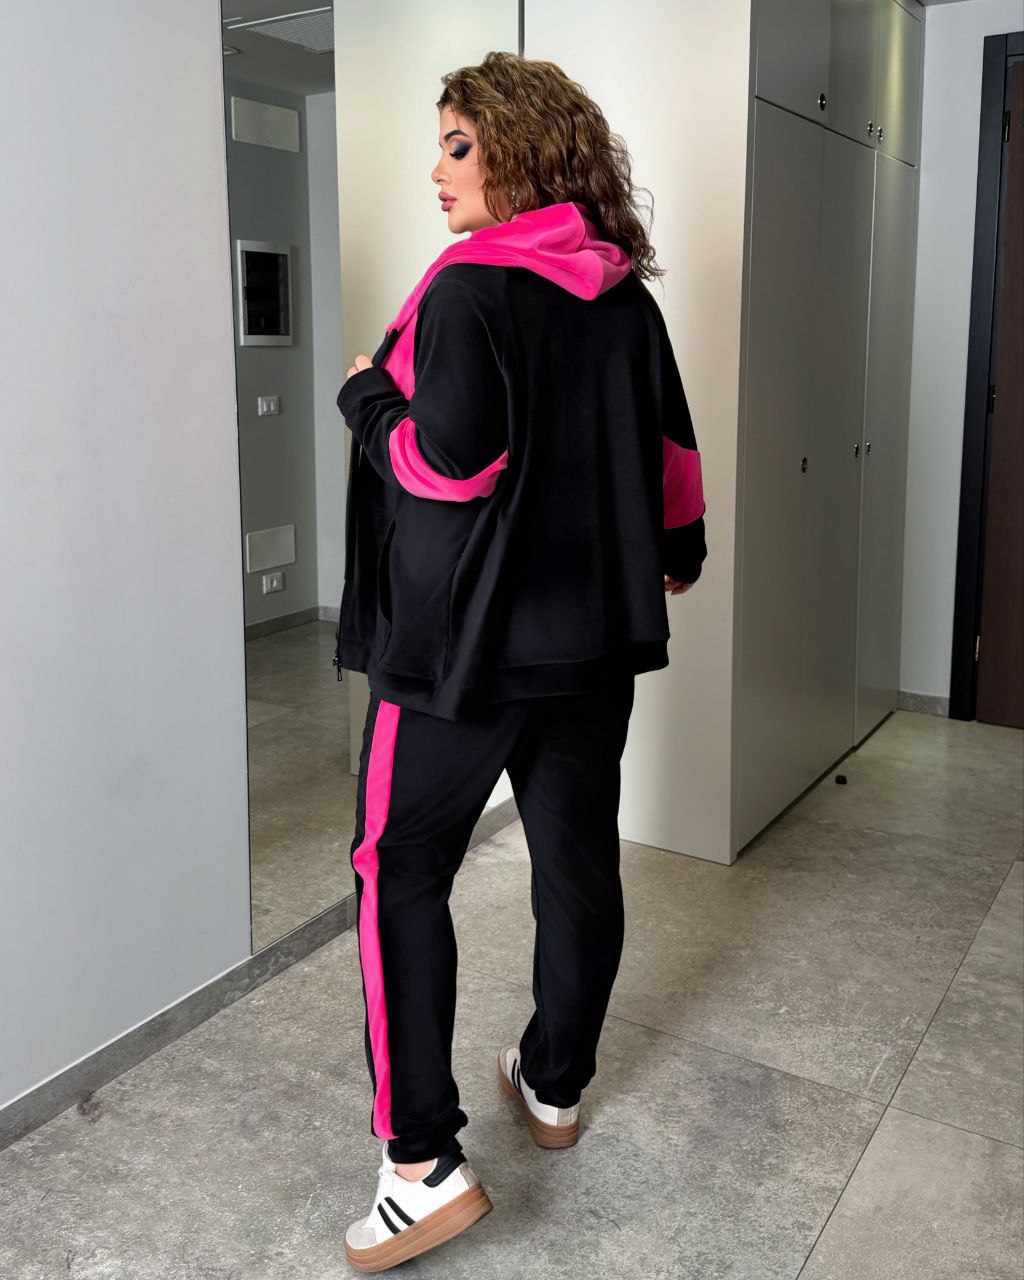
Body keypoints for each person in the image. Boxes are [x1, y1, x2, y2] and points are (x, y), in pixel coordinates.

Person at [335, 51, 707, 1273]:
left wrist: (364, 400)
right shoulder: (624, 297)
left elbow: (446, 466)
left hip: (460, 651)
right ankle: (552, 1082)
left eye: (456, 143)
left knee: (397, 868)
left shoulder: (467, 289)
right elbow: (672, 460)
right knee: (575, 859)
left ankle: (418, 1164)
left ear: (520, 150)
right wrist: (676, 554)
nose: (435, 170)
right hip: (589, 640)